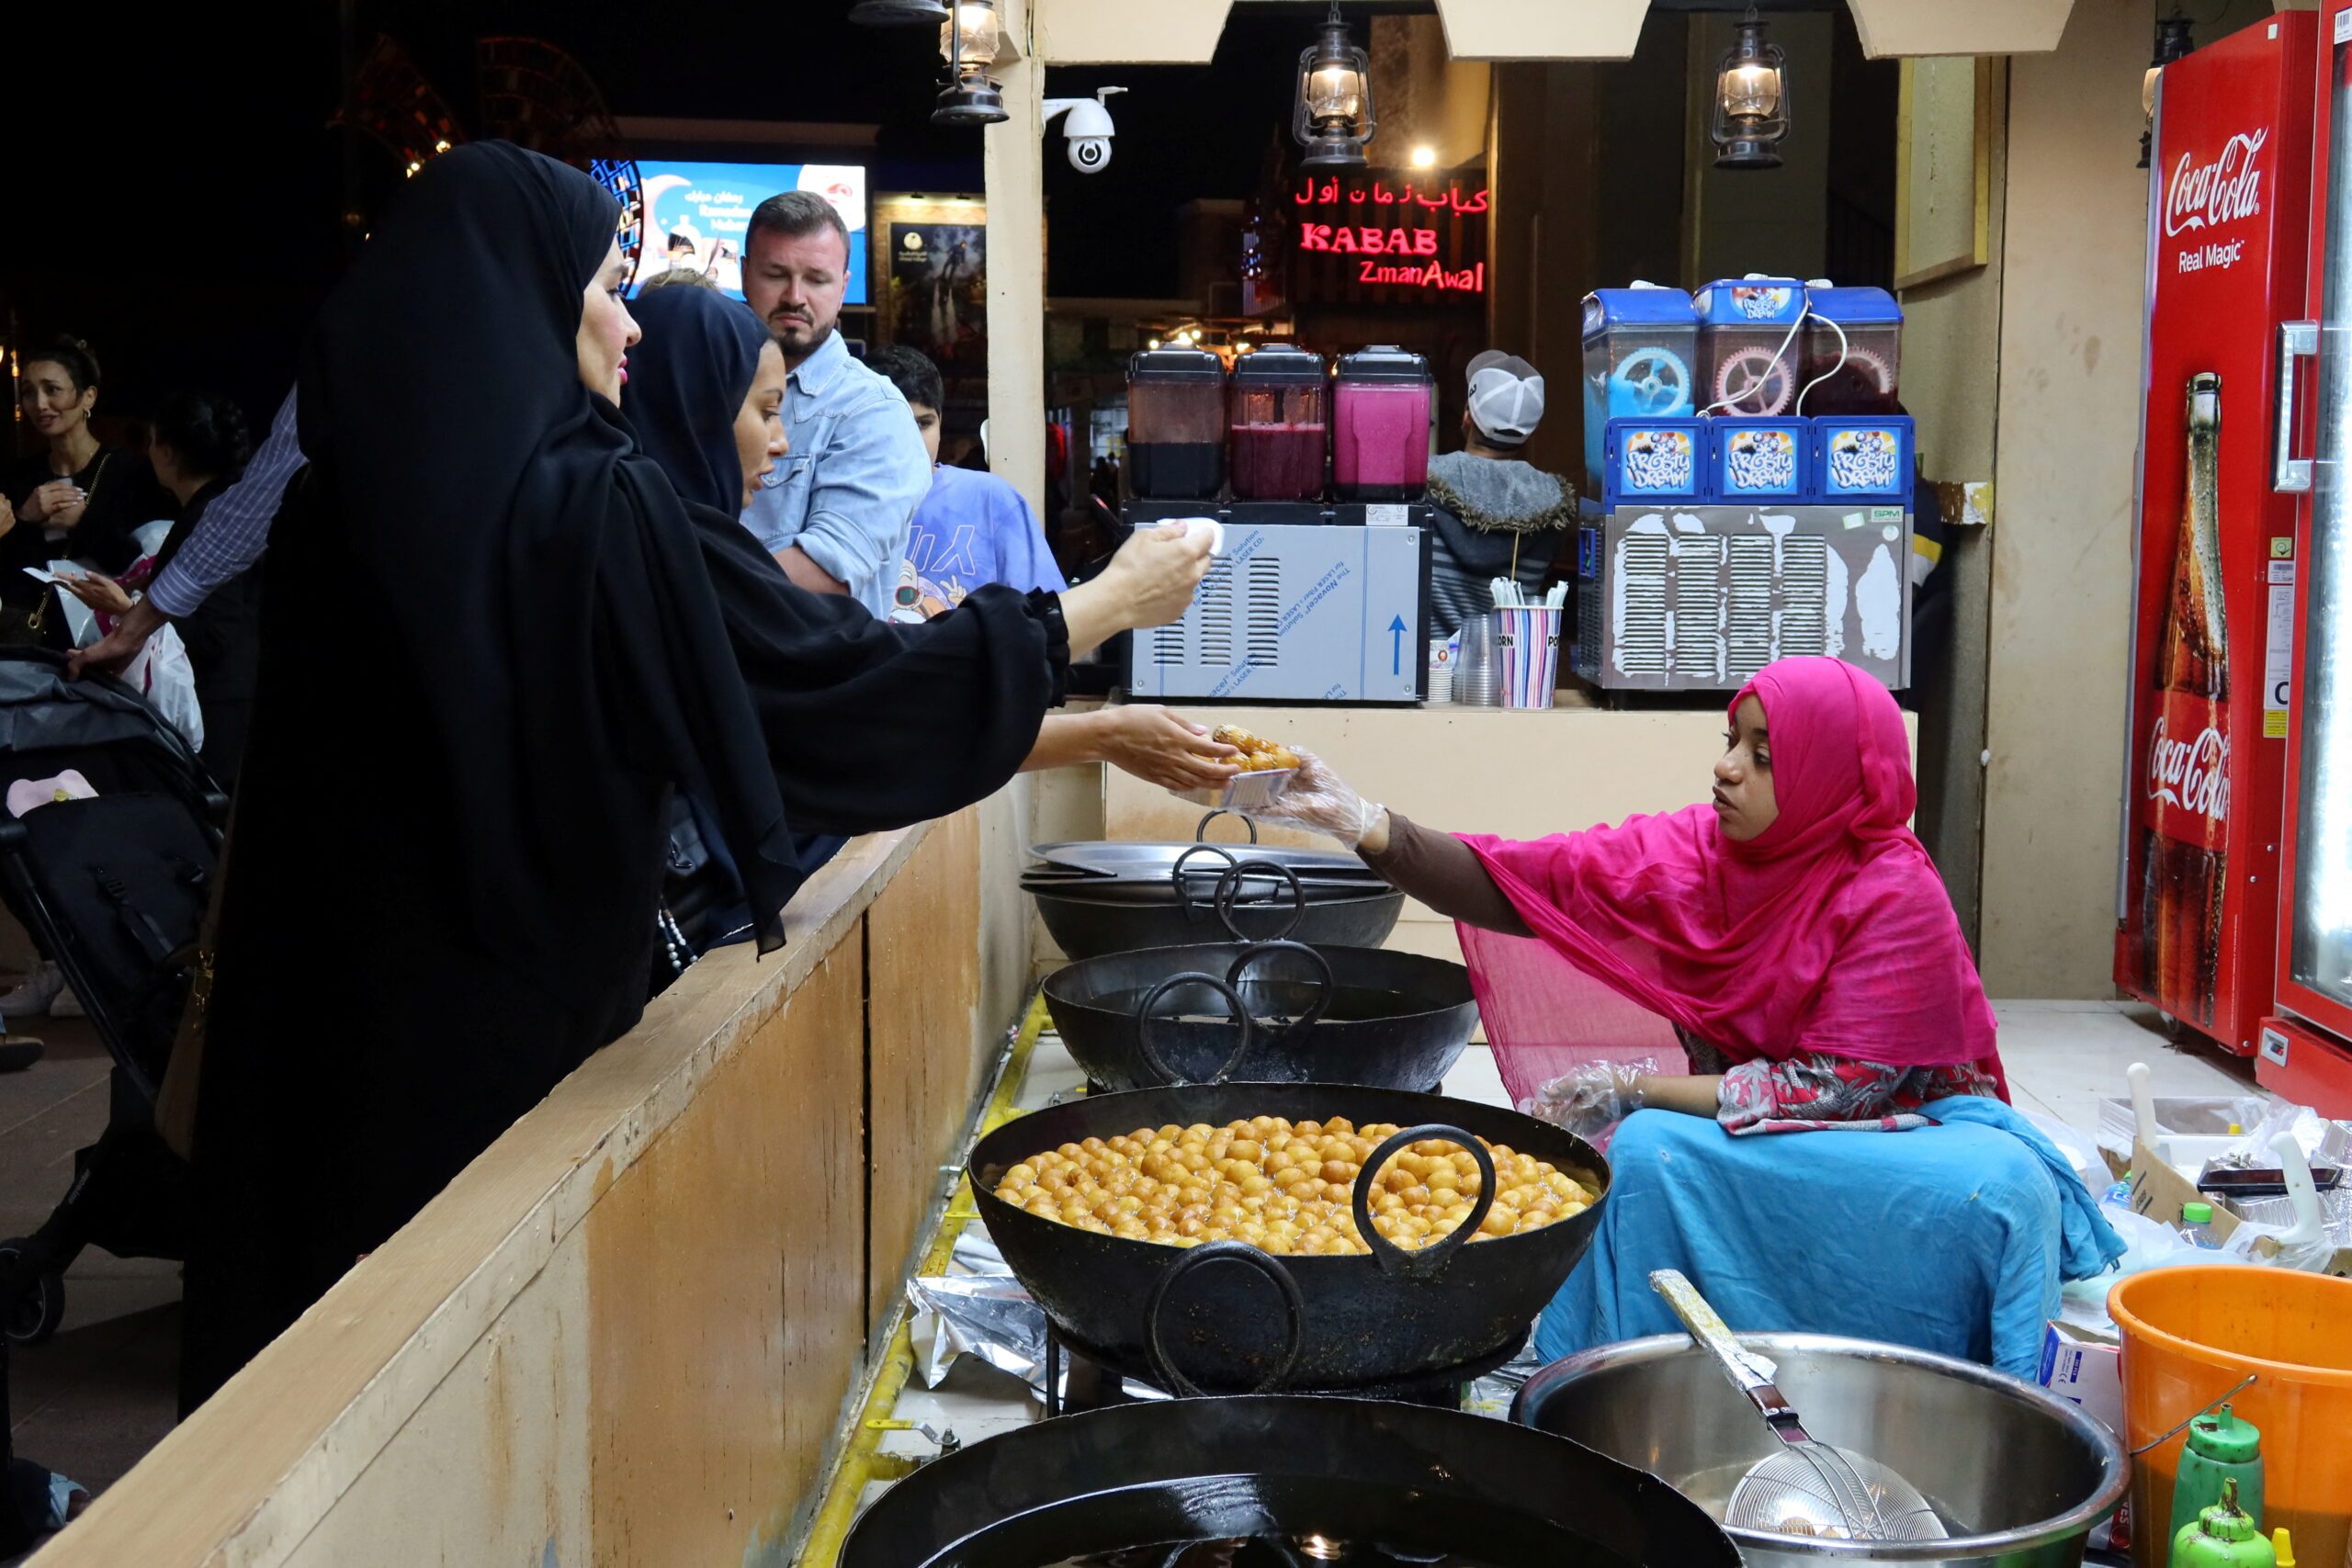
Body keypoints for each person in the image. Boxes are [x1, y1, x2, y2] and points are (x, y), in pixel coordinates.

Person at [176, 142, 1216, 1411]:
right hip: (506, 1049)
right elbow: (826, 689)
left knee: (315, 1373)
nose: (631, 324)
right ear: (521, 299)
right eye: (608, 287)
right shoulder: (588, 511)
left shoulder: (333, 516)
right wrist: (1101, 604)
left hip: (324, 1044)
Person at [1249, 657, 2121, 1372]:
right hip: (1772, 1127)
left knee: (1665, 1148)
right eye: (1731, 739)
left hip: (1901, 1134)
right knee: (1636, 1154)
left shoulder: (1891, 890)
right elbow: (1528, 881)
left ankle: (1868, 1359)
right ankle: (1620, 1360)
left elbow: (1837, 1089)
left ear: (1831, 775)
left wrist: (1639, 1086)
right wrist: (1364, 824)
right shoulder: (1702, 855)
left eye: (1765, 755)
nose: (1727, 766)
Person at [739, 190, 928, 616]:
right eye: (776, 274)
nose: (795, 297)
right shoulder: (710, 389)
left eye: (816, 279)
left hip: (814, 678)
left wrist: (681, 590)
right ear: (745, 274)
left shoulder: (873, 411)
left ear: (843, 287)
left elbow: (828, 570)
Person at [61, 392, 260, 783]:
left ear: (167, 453)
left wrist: (126, 608)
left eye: (151, 443)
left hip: (219, 708)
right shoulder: (223, 507)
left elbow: (215, 632)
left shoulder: (211, 521)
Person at [864, 346, 1066, 620]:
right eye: (893, 424)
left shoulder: (991, 500)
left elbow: (1048, 622)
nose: (909, 440)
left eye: (923, 424)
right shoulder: (835, 502)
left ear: (940, 422)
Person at [1, 338, 170, 645]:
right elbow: (11, 571)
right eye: (28, 392)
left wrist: (84, 522)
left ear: (88, 397)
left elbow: (145, 567)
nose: (39, 404)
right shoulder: (19, 477)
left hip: (107, 640)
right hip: (32, 639)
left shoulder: (130, 471)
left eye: (52, 389)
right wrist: (25, 518)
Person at [1422, 350, 1576, 638]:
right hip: (1511, 674)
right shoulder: (1552, 505)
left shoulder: (1421, 484)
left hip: (1427, 675)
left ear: (1467, 416)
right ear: (1529, 432)